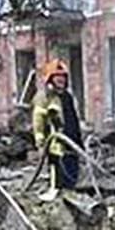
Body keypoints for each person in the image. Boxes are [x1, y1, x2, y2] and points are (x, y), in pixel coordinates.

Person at [32, 61, 83, 201]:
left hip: (72, 142)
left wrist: (79, 141)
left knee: (72, 171)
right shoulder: (44, 97)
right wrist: (40, 143)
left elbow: (73, 119)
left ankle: (70, 194)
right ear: (50, 78)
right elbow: (38, 122)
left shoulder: (67, 96)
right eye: (57, 76)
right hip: (56, 144)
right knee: (58, 172)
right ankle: (57, 197)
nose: (61, 79)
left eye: (63, 76)